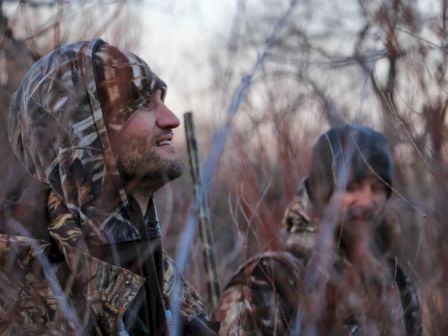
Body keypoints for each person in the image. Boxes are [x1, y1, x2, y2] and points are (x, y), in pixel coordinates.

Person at [1, 39, 218, 335]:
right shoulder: (15, 281)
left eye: (162, 100)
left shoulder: (165, 276)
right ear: (82, 128)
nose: (172, 119)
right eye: (142, 103)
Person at [214, 124, 421, 335]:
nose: (367, 201)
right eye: (351, 188)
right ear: (321, 195)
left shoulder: (396, 284)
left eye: (377, 188)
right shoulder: (267, 282)